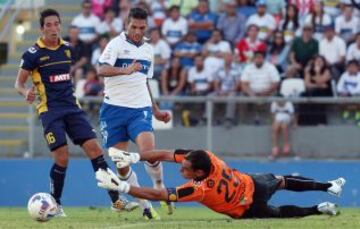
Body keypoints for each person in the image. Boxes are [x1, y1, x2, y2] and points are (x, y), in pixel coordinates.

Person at [14, 8, 138, 217]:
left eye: (56, 24)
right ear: (41, 28)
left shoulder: (68, 49)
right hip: (50, 111)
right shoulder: (32, 54)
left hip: (72, 108)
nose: (53, 29)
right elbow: (18, 82)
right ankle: (56, 204)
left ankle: (116, 201)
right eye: (49, 25)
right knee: (62, 157)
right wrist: (26, 91)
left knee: (95, 150)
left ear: (60, 25)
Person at [95, 148, 346, 219]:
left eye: (185, 169)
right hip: (252, 183)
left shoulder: (199, 189)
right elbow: (165, 155)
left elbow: (158, 194)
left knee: (279, 213)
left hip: (246, 207)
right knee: (283, 181)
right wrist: (135, 157)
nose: (181, 169)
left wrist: (122, 186)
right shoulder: (208, 157)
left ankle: (318, 208)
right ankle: (328, 186)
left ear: (199, 172)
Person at [96, 7, 173, 220]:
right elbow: (101, 70)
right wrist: (124, 69)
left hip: (139, 109)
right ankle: (146, 205)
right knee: (121, 164)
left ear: (146, 26)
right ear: (126, 24)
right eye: (133, 27)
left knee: (148, 152)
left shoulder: (148, 50)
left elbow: (145, 81)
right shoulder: (116, 44)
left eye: (141, 27)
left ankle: (158, 185)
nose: (137, 31)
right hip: (113, 111)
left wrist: (156, 110)